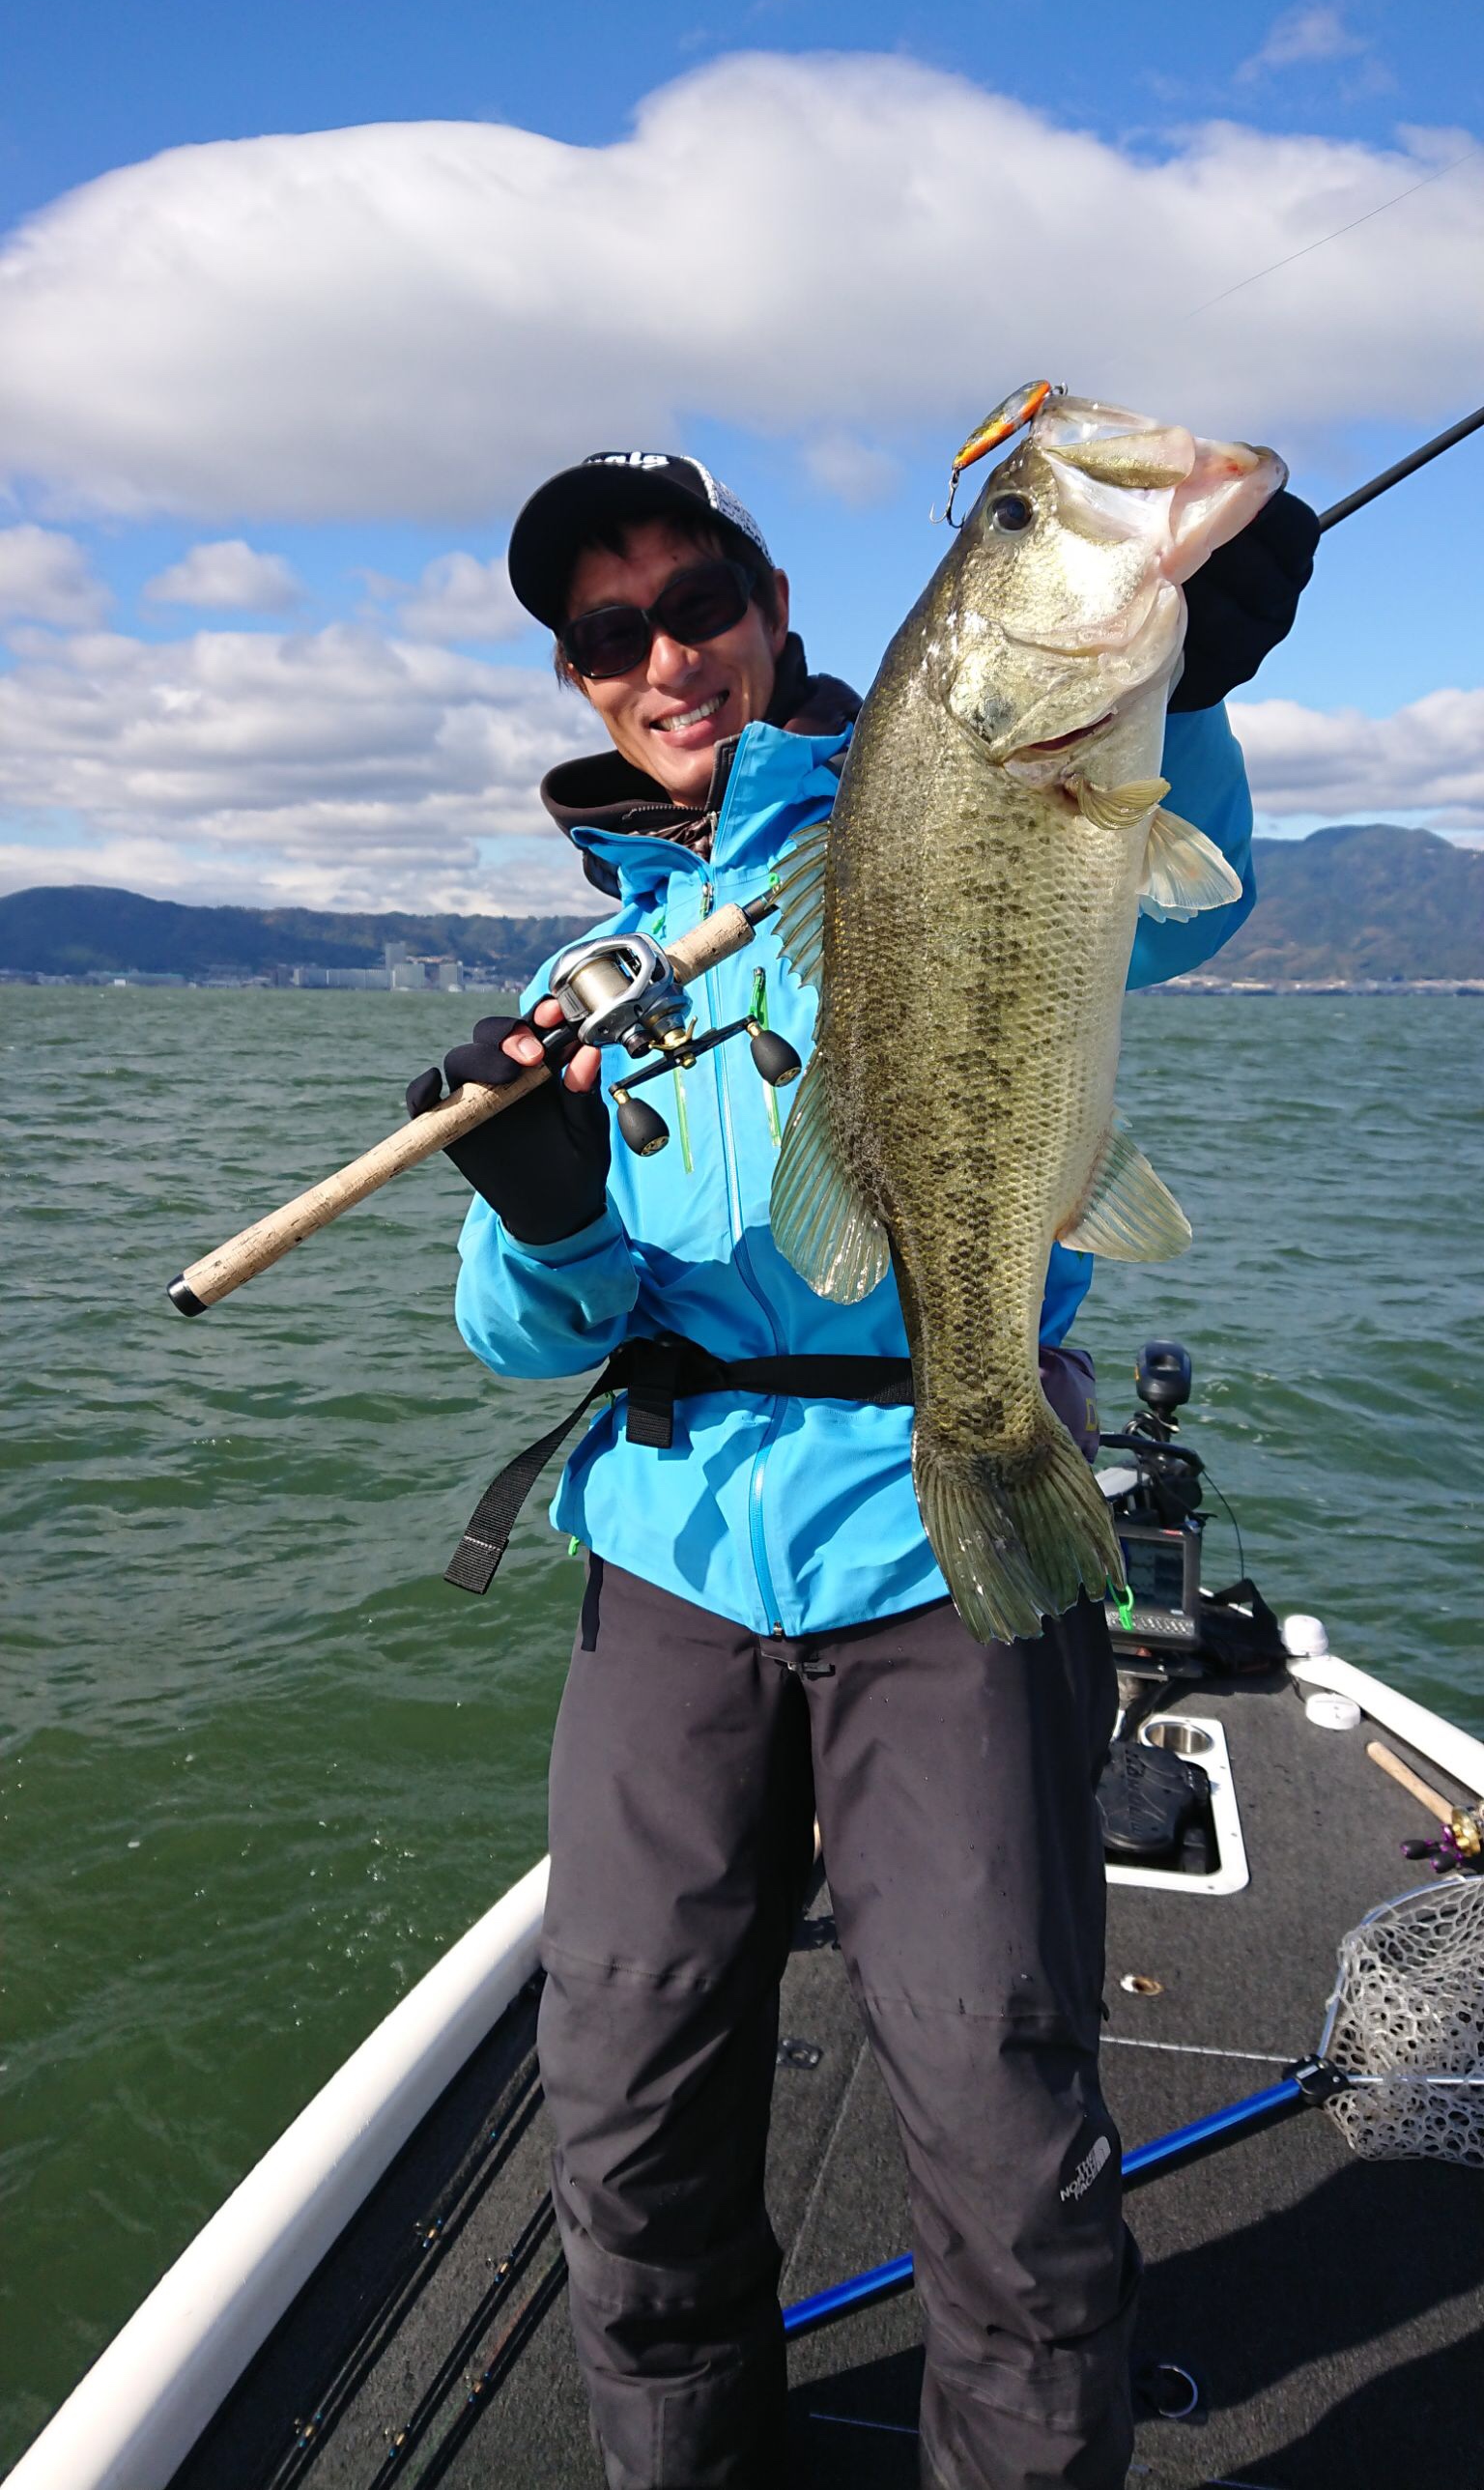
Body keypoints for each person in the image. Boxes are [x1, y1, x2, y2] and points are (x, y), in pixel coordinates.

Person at [409, 447, 1317, 2490]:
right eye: (610, 634)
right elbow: (520, 1336)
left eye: (695, 602)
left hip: (936, 1531)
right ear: (579, 681)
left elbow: (1179, 910)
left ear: (773, 609)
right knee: (626, 2097)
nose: (665, 656)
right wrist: (546, 1206)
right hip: (671, 1555)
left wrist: (1189, 693)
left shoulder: (932, 799)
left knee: (1001, 2107)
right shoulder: (579, 993)